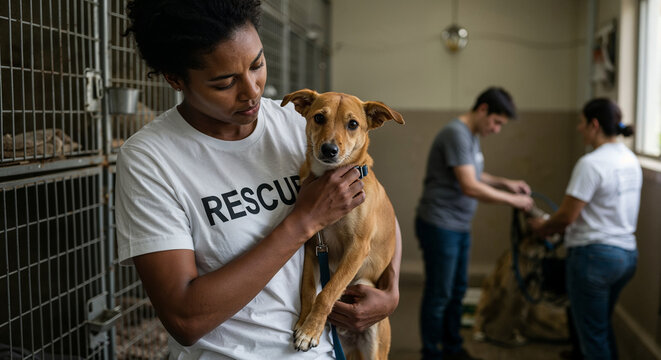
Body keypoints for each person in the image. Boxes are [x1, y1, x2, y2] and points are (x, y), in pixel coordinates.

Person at [115, 0, 401, 358]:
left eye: (257, 65)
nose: (251, 91)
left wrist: (391, 291)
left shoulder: (297, 123)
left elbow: (374, 204)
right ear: (176, 79)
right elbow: (184, 319)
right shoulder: (150, 160)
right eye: (225, 82)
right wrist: (304, 221)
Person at [415, 87, 534, 360]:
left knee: (456, 291)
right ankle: (431, 353)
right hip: (440, 225)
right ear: (483, 110)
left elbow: (473, 171)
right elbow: (469, 186)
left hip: (458, 226)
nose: (496, 129)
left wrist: (506, 183)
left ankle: (453, 349)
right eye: (496, 122)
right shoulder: (456, 133)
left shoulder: (470, 135)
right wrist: (511, 200)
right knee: (440, 293)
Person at [529, 98, 641, 360]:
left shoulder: (591, 163)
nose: (578, 129)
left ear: (594, 124)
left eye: (581, 123)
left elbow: (567, 216)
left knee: (592, 336)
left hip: (594, 259)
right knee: (600, 327)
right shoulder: (629, 159)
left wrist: (542, 226)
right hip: (626, 257)